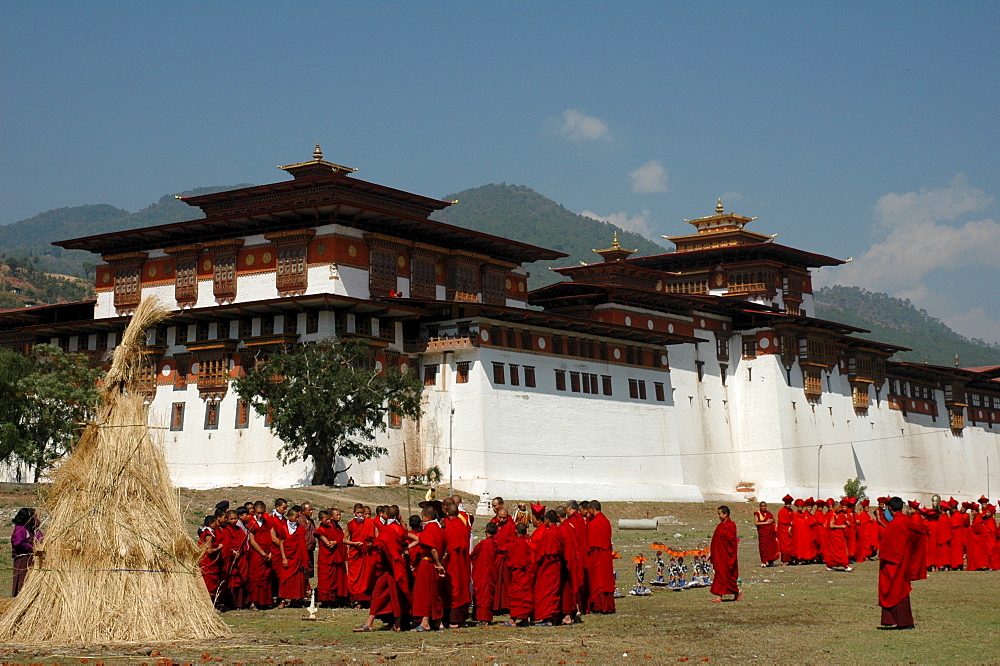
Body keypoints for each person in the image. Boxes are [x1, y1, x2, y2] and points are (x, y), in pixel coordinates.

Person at [356, 506, 411, 632]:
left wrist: (370, 546)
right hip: (398, 566)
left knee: (379, 594)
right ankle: (394, 623)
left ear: (386, 515)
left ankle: (373, 623)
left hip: (390, 567)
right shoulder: (400, 530)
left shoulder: (386, 530)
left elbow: (379, 546)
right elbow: (406, 538)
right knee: (396, 595)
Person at [878, 497, 927, 629]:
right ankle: (895, 620)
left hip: (893, 563)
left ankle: (904, 622)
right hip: (903, 561)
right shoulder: (906, 521)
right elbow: (920, 534)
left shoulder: (894, 524)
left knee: (896, 590)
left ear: (890, 508)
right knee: (901, 589)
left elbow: (886, 546)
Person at [410, 505, 446, 631]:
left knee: (425, 593)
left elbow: (433, 549)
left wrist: (438, 563)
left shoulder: (429, 529)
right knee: (435, 593)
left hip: (428, 563)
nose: (422, 520)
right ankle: (438, 622)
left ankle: (425, 622)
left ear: (427, 517)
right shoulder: (439, 529)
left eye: (423, 517)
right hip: (435, 564)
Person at [532, 510, 565, 625]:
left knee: (546, 592)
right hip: (556, 566)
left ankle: (549, 619)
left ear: (547, 520)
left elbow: (541, 552)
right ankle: (552, 617)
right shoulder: (559, 531)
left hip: (548, 566)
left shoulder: (548, 533)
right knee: (553, 592)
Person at [443, 502, 472, 627]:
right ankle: (461, 618)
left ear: (447, 512)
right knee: (462, 587)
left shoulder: (450, 528)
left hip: (453, 562)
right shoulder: (462, 525)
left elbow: (448, 548)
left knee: (454, 588)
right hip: (463, 562)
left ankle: (453, 619)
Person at [273, 505, 308, 606]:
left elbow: (302, 544)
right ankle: (282, 600)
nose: (297, 519)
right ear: (289, 517)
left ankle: (294, 599)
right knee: (285, 579)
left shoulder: (300, 528)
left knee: (296, 580)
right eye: (296, 517)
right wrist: (284, 558)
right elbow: (281, 543)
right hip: (287, 557)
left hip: (297, 558)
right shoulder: (283, 528)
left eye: (298, 517)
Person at [585, 500, 616, 614]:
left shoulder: (595, 523)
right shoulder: (606, 521)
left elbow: (590, 542)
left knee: (599, 582)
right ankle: (608, 606)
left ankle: (599, 606)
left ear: (592, 509)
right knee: (606, 581)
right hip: (606, 555)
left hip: (597, 555)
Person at [345, 502, 377, 606]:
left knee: (366, 576)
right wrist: (354, 543)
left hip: (366, 553)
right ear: (354, 512)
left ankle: (365, 599)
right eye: (358, 513)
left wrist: (371, 544)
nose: (360, 515)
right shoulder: (350, 524)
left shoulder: (370, 523)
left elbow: (376, 538)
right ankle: (355, 599)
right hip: (355, 554)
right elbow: (344, 540)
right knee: (354, 577)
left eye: (362, 513)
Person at [315, 509, 349, 607]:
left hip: (334, 557)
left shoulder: (332, 527)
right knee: (325, 579)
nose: (329, 521)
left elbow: (339, 538)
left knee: (334, 579)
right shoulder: (320, 530)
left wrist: (336, 542)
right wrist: (333, 542)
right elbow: (328, 543)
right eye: (326, 519)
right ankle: (325, 600)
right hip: (325, 558)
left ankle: (334, 599)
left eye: (329, 519)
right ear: (321, 520)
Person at [246, 500, 275, 609]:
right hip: (257, 554)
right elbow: (252, 541)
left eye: (262, 513)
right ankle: (254, 602)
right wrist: (262, 553)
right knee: (255, 577)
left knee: (266, 577)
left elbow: (271, 538)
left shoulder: (267, 523)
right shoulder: (251, 523)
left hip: (267, 553)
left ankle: (265, 601)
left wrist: (270, 553)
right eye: (257, 513)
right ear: (254, 512)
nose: (260, 515)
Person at [709, 506, 741, 603]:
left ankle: (735, 593)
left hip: (727, 555)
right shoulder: (719, 526)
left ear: (725, 514)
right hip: (719, 555)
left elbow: (732, 540)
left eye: (720, 514)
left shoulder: (731, 525)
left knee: (728, 575)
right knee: (720, 574)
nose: (718, 516)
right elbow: (714, 540)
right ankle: (720, 596)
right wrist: (711, 552)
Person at [505, 523, 534, 626]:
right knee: (525, 595)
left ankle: (513, 619)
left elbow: (509, 559)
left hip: (517, 573)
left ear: (516, 531)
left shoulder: (514, 544)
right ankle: (525, 619)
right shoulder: (528, 544)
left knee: (516, 594)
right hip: (526, 573)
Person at [471, 521, 500, 624]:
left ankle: (482, 617)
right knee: (488, 594)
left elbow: (473, 555)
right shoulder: (495, 544)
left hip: (481, 572)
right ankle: (486, 617)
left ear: (485, 531)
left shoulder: (482, 544)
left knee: (481, 593)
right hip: (491, 572)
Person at [11, 508, 41, 597]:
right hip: (22, 559)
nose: (34, 519)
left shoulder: (30, 529)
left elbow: (39, 534)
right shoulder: (20, 529)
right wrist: (32, 547)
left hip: (31, 558)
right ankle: (21, 599)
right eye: (33, 517)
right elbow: (18, 543)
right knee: (22, 580)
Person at [197, 514, 223, 600]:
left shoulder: (210, 532)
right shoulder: (208, 535)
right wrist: (219, 548)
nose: (217, 524)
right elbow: (209, 551)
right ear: (211, 523)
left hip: (211, 562)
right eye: (215, 522)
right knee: (209, 582)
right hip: (207, 562)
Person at [824, 500, 853, 572]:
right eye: (838, 507)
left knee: (838, 550)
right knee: (840, 550)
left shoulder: (838, 514)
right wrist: (841, 526)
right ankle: (845, 566)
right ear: (835, 507)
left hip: (839, 535)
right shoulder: (832, 514)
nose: (840, 508)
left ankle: (829, 565)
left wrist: (846, 522)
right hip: (834, 536)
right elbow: (831, 525)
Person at [754, 501, 779, 567]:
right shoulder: (757, 514)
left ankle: (771, 561)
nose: (763, 507)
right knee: (763, 548)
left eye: (764, 506)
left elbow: (773, 521)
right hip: (763, 535)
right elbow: (756, 523)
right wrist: (766, 522)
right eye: (762, 506)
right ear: (760, 507)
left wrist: (772, 521)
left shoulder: (769, 513)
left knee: (771, 547)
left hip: (770, 535)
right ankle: (763, 562)